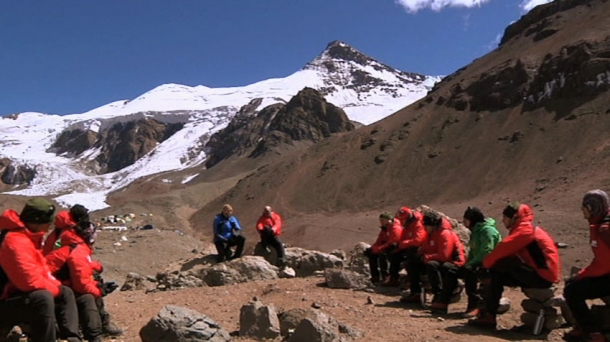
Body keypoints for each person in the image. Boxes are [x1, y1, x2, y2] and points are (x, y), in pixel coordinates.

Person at [0, 198, 82, 342]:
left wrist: (56, 286)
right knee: (43, 297)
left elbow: (42, 270)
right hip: (5, 300)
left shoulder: (27, 238)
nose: (49, 227)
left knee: (65, 292)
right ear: (36, 221)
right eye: (47, 223)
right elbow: (28, 282)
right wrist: (55, 289)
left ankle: (72, 338)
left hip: (18, 295)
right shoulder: (15, 241)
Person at [468, 202, 560, 329]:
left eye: (505, 217)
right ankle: (488, 313)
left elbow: (503, 248)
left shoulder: (525, 231)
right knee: (498, 272)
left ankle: (488, 314)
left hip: (542, 277)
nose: (503, 220)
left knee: (498, 267)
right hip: (541, 274)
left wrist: (485, 264)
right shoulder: (525, 229)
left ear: (514, 217)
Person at [47, 220, 121, 341]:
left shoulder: (73, 247)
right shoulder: (78, 251)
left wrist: (97, 281)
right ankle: (95, 335)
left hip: (56, 287)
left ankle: (97, 330)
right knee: (88, 297)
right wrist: (100, 291)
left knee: (94, 286)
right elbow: (81, 285)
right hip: (56, 291)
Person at [563, 190, 610, 342]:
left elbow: (603, 264)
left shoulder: (605, 230)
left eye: (584, 207)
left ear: (591, 208)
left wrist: (582, 275)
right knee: (574, 283)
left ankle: (594, 332)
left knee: (572, 290)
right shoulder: (600, 224)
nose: (582, 211)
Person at [411, 211, 465, 314]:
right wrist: (419, 255)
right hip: (443, 260)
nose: (425, 228)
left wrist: (426, 257)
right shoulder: (432, 234)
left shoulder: (444, 234)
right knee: (413, 262)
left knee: (433, 265)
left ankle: (439, 295)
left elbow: (444, 255)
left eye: (426, 225)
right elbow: (426, 248)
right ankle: (415, 292)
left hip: (454, 262)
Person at [459, 207, 501, 318]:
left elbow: (486, 251)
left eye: (466, 220)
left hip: (491, 263)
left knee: (470, 271)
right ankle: (443, 301)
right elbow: (473, 250)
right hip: (478, 261)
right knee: (453, 269)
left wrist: (471, 264)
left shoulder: (487, 231)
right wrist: (468, 262)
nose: (464, 223)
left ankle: (475, 305)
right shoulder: (475, 231)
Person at [385, 207, 427, 287]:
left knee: (412, 257)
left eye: (403, 219)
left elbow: (418, 241)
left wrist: (403, 243)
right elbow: (404, 237)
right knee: (395, 254)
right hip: (409, 246)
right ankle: (393, 278)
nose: (402, 221)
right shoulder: (408, 225)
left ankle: (414, 281)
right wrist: (398, 245)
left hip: (418, 249)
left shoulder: (417, 224)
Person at [363, 212, 403, 284]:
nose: (381, 222)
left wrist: (379, 248)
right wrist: (372, 248)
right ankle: (375, 276)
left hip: (397, 249)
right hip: (387, 247)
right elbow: (379, 241)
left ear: (389, 220)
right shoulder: (385, 229)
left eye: (383, 220)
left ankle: (386, 276)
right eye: (380, 220)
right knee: (371, 254)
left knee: (382, 254)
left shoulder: (395, 228)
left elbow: (393, 242)